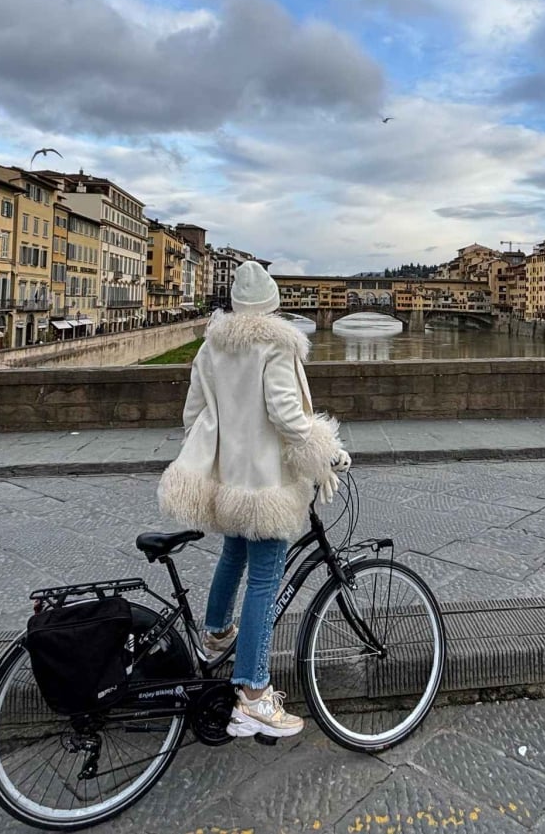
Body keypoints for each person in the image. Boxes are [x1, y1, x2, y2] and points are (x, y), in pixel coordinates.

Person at [157, 261, 349, 740]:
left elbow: (193, 413)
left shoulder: (212, 346)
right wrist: (327, 451)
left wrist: (216, 457)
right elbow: (287, 415)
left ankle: (217, 634)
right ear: (273, 303)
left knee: (233, 555)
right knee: (264, 578)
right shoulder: (275, 345)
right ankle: (254, 693)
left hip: (229, 481)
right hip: (266, 483)